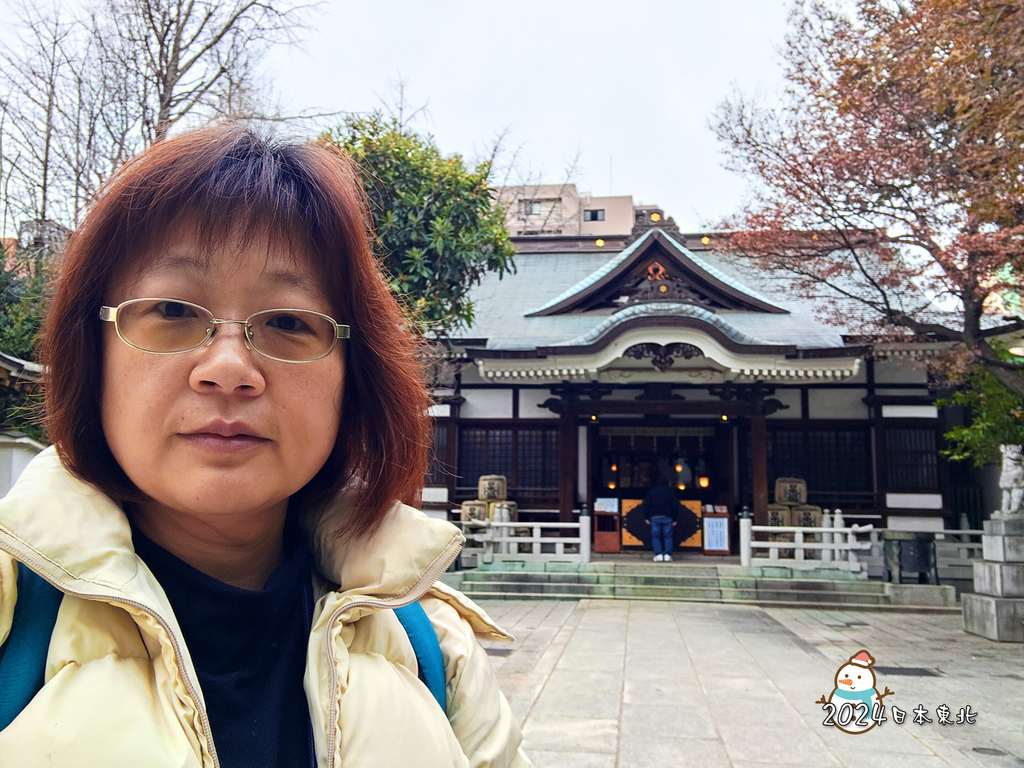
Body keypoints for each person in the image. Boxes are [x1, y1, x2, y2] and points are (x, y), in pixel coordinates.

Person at [0, 125, 531, 767]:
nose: (228, 367)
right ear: (96, 352)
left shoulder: (432, 650)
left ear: (349, 379)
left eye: (287, 322)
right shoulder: (12, 620)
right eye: (171, 311)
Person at [641, 474, 680, 562]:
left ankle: (658, 554)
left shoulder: (652, 491)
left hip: (654, 516)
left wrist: (646, 517)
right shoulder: (670, 491)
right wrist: (675, 518)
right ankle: (667, 555)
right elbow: (675, 506)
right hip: (667, 516)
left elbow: (647, 505)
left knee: (655, 536)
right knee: (668, 536)